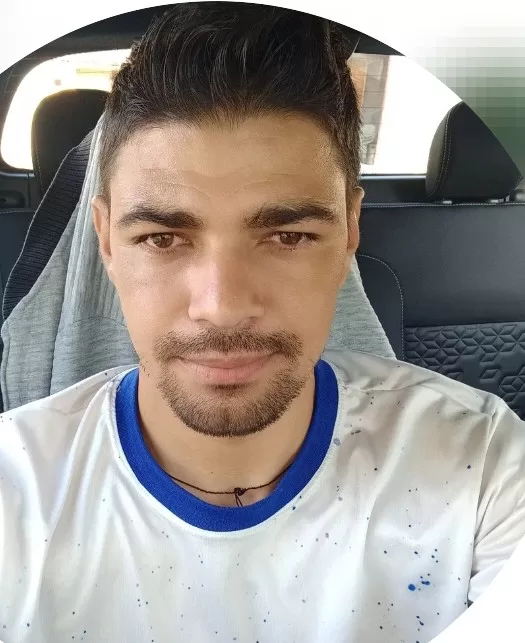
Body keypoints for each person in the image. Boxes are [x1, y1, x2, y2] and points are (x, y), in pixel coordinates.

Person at [1, 4, 524, 643]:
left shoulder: (481, 464)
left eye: (287, 235)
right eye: (163, 238)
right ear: (107, 240)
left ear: (349, 231)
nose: (222, 306)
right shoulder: (14, 492)